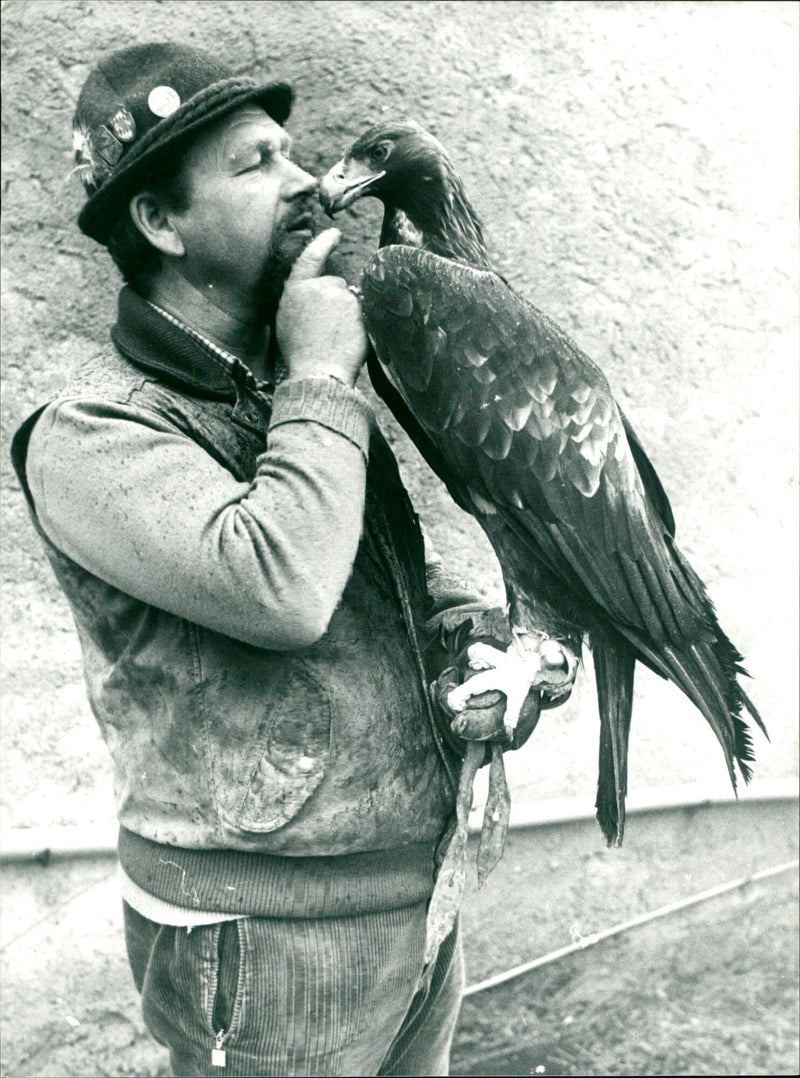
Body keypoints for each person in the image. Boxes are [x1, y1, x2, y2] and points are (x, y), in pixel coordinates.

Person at [11, 43, 575, 1077]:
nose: (308, 179)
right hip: (259, 957)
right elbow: (280, 587)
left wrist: (472, 640)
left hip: (415, 913)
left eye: (290, 150)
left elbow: (373, 589)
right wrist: (322, 374)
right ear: (160, 222)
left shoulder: (286, 400)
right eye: (257, 162)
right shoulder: (88, 435)